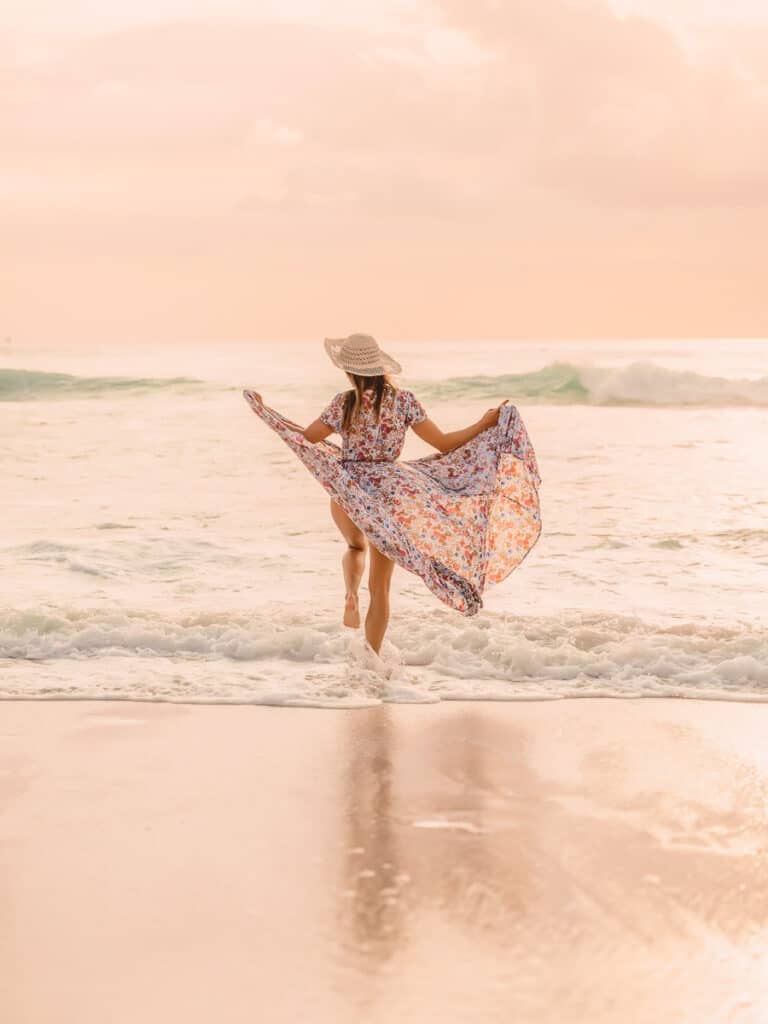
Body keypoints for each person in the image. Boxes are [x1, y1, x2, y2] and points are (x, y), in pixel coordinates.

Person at [244, 333, 541, 657]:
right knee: (381, 588)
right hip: (390, 494)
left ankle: (349, 594)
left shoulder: (344, 404)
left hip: (349, 491)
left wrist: (266, 410)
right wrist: (484, 423)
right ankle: (371, 660)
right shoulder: (404, 402)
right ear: (379, 365)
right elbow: (444, 443)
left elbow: (308, 438)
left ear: (348, 370)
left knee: (354, 546)